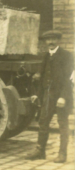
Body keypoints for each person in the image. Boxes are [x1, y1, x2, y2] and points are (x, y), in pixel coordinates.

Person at [25, 30, 73, 163]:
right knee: (43, 122)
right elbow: (42, 78)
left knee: (63, 124)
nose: (50, 42)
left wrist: (63, 97)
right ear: (45, 42)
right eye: (48, 40)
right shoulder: (46, 56)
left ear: (58, 40)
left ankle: (62, 154)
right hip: (48, 97)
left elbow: (69, 79)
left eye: (53, 39)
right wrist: (37, 94)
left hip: (62, 97)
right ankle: (40, 151)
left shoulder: (67, 55)